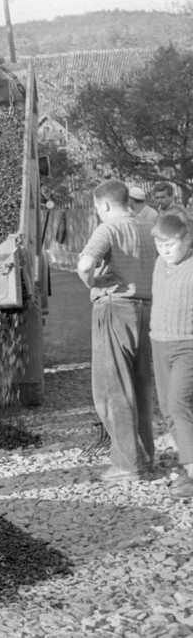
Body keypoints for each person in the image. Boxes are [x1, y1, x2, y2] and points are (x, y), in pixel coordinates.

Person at [77, 179, 157, 483]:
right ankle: (145, 456)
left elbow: (86, 264)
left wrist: (92, 282)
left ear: (105, 204)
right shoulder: (150, 227)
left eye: (98, 208)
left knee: (113, 389)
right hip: (147, 310)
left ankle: (127, 464)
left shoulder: (108, 228)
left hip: (114, 310)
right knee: (140, 388)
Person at [150, 209, 193, 497]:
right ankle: (187, 463)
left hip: (187, 345)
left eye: (171, 245)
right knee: (167, 410)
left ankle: (191, 472)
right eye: (160, 246)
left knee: (179, 404)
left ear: (187, 239)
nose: (165, 251)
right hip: (159, 343)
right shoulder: (158, 264)